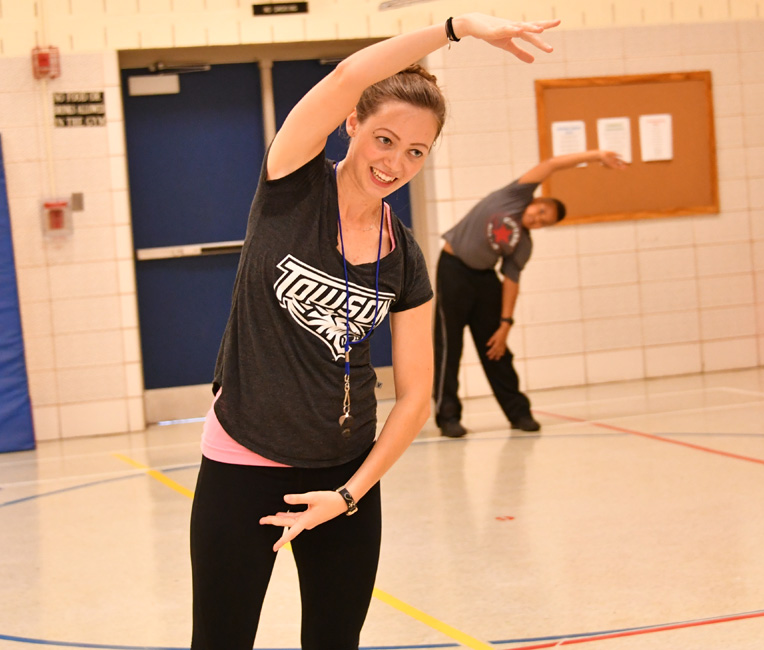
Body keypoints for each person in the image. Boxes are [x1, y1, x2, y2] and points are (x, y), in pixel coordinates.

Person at [189, 14, 561, 650]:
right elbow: (347, 75)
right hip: (243, 461)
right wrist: (456, 27)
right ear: (352, 125)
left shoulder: (405, 255)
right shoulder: (289, 187)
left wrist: (348, 493)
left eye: (416, 151)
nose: (395, 162)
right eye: (385, 139)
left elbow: (415, 396)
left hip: (344, 478)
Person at [434, 150, 627, 438]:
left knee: (496, 349)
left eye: (544, 222)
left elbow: (511, 280)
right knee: (450, 345)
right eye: (540, 212)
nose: (538, 220)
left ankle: (518, 412)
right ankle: (448, 415)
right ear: (535, 201)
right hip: (453, 268)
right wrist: (597, 155)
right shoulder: (513, 196)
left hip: (485, 278)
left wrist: (505, 324)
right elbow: (551, 165)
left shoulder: (523, 244)